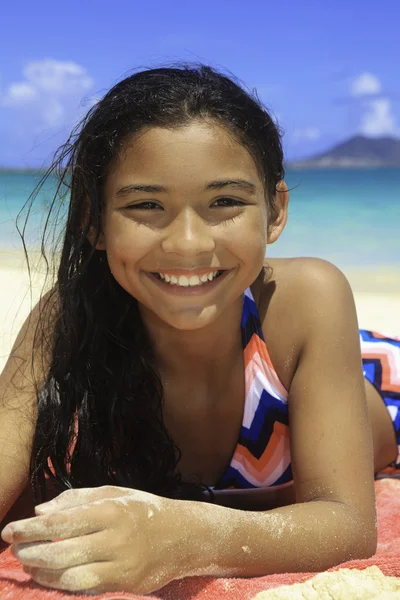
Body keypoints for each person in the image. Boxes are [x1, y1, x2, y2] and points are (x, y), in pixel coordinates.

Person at [0, 63, 399, 596]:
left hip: (370, 376)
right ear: (94, 220)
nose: (187, 244)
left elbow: (349, 525)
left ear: (275, 210)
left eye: (225, 202)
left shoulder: (310, 299)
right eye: (146, 205)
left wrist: (182, 535)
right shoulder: (69, 321)